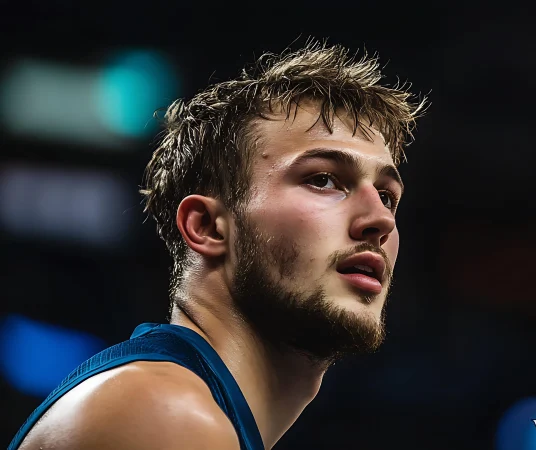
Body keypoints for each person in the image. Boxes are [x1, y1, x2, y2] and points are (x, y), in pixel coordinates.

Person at [9, 39, 427, 450]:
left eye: (388, 196)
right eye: (323, 180)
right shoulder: (166, 413)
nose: (381, 220)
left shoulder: (180, 404)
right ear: (207, 226)